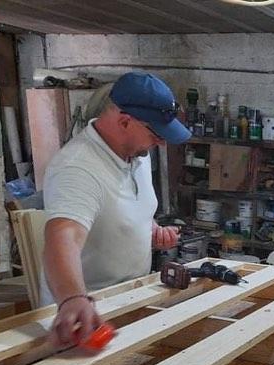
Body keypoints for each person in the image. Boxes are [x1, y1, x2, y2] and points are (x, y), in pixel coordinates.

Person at [41, 72, 191, 348]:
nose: (161, 142)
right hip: (86, 319)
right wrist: (73, 299)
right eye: (156, 133)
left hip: (130, 298)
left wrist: (150, 230)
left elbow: (124, 210)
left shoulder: (136, 153)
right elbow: (63, 236)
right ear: (124, 121)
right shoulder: (78, 168)